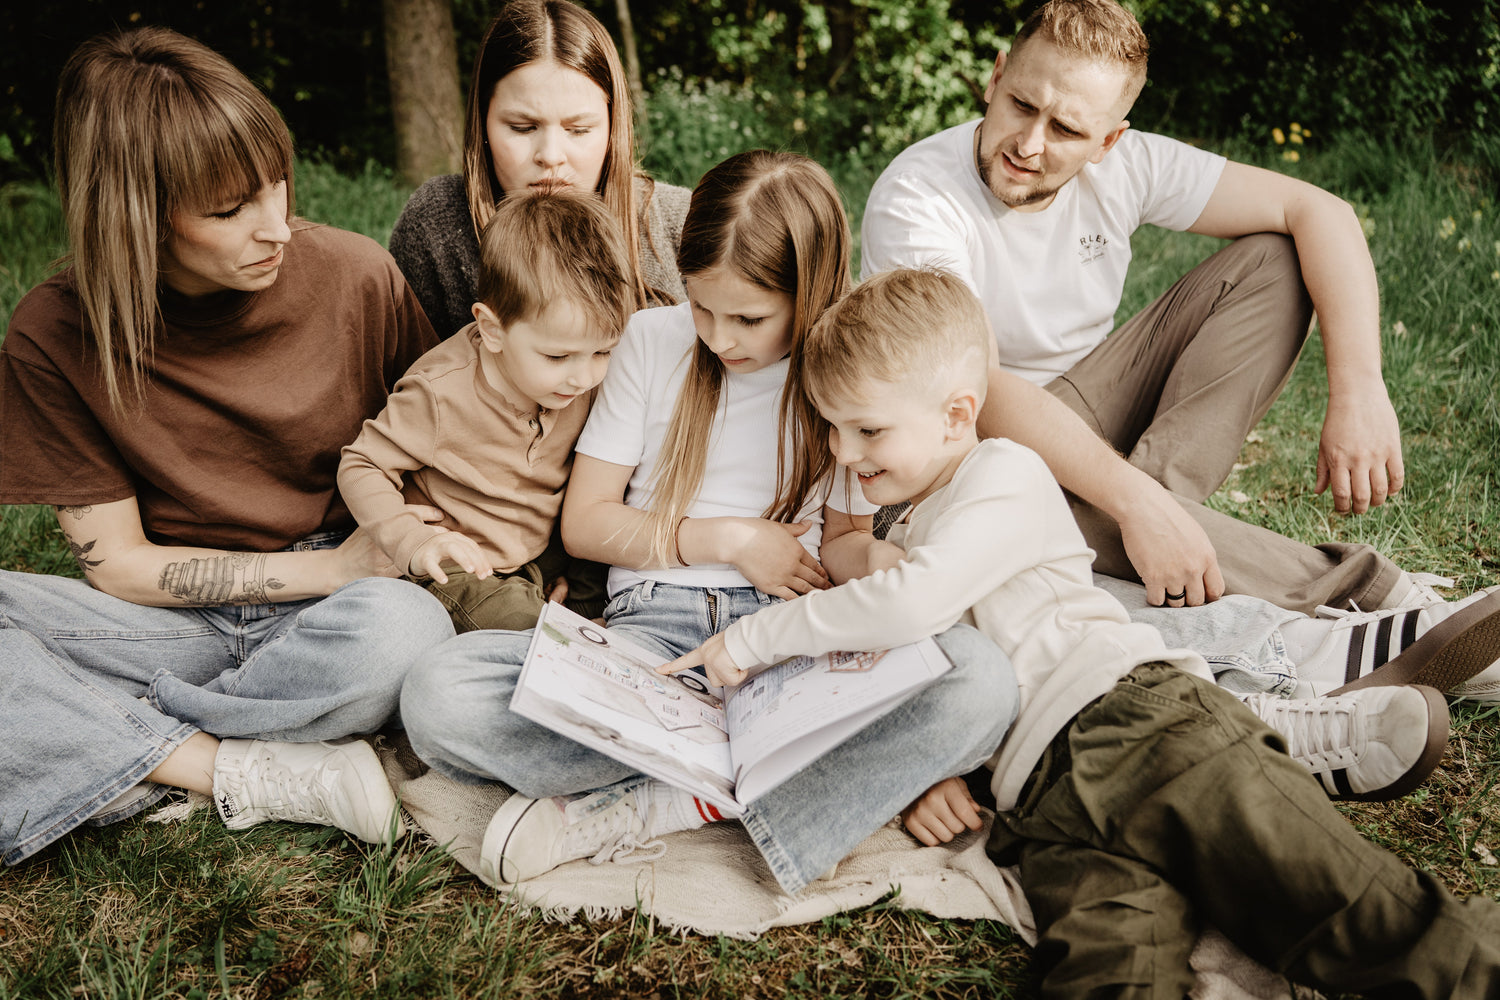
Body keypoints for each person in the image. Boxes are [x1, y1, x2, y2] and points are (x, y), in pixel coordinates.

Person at [664, 268, 1500, 996]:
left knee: (1349, 913)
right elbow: (922, 677)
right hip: (1043, 808)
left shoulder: (1005, 476)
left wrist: (753, 640)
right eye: (832, 428)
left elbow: (911, 608)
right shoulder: (912, 536)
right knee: (1107, 975)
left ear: (959, 414)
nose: (844, 453)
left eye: (868, 429)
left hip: (1148, 728)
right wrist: (931, 773)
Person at [399, 151, 1020, 894]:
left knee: (981, 680)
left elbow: (848, 540)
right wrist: (728, 539)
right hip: (654, 641)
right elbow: (587, 526)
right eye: (703, 307)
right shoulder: (653, 342)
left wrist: (879, 568)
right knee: (439, 694)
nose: (721, 337)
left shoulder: (845, 371)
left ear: (810, 290)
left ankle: (672, 794)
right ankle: (783, 779)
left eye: (750, 317)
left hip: (792, 637)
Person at [0, 27, 455, 866]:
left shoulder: (357, 275)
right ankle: (228, 767)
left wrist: (357, 567)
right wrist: (333, 569)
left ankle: (98, 739)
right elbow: (120, 566)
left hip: (337, 624)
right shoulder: (52, 332)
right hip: (168, 618)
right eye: (229, 209)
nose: (276, 225)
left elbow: (438, 466)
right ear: (134, 215)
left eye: (276, 184)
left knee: (405, 631)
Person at [860, 0, 1436, 617]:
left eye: (1067, 131)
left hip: (1087, 420)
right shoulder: (918, 199)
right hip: (964, 460)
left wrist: (1359, 391)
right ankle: (1377, 599)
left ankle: (1137, 523)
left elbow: (1322, 212)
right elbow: (981, 395)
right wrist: (1135, 502)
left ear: (1108, 140)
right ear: (995, 78)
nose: (1029, 144)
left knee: (1276, 259)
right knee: (1099, 490)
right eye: (1022, 106)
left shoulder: (1129, 166)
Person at [339, 190, 632, 631]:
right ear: (492, 329)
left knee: (606, 555)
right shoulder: (441, 393)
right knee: (518, 619)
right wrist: (412, 541)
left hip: (538, 544)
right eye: (558, 357)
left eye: (602, 352)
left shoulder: (581, 381)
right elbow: (361, 464)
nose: (583, 377)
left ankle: (588, 619)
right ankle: (557, 634)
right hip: (459, 561)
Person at [388, 0, 689, 338]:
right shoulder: (436, 225)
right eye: (522, 127)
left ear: (612, 129)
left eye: (578, 130)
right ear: (482, 122)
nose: (550, 155)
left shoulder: (683, 223)